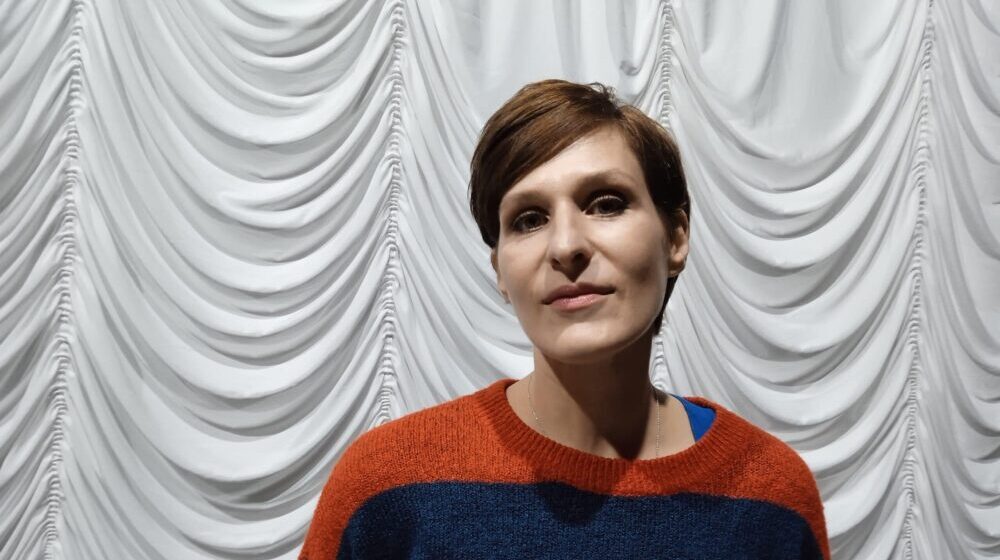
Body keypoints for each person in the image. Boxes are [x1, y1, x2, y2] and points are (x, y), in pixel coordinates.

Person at [299, 79, 830, 559]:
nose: (566, 246)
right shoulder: (389, 488)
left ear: (675, 238)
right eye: (529, 219)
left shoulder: (771, 498)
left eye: (606, 203)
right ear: (500, 271)